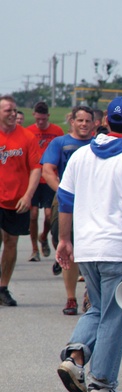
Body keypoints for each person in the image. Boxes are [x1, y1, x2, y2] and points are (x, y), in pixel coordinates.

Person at [54, 97, 122, 392]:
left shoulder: (82, 155)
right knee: (115, 315)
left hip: (87, 248)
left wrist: (63, 240)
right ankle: (101, 383)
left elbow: (66, 201)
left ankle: (75, 358)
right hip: (118, 248)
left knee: (98, 309)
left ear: (105, 121)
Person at [42, 105, 96, 315]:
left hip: (92, 202)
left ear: (94, 124)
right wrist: (65, 192)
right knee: (66, 245)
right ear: (72, 121)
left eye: (87, 121)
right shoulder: (60, 143)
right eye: (79, 120)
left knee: (91, 249)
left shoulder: (96, 145)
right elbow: (47, 171)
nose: (83, 124)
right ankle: (70, 297)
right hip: (66, 200)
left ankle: (89, 295)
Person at [0, 95, 43, 307]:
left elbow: (36, 167)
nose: (12, 114)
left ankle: (3, 287)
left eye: (14, 110)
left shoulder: (26, 137)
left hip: (17, 200)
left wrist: (28, 196)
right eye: (8, 110)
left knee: (11, 242)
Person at [25, 101, 64, 262]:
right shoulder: (28, 132)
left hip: (50, 178)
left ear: (48, 116)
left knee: (49, 215)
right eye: (38, 119)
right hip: (34, 179)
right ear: (34, 115)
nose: (40, 122)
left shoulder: (57, 131)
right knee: (33, 214)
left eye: (43, 119)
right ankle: (34, 249)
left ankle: (43, 237)